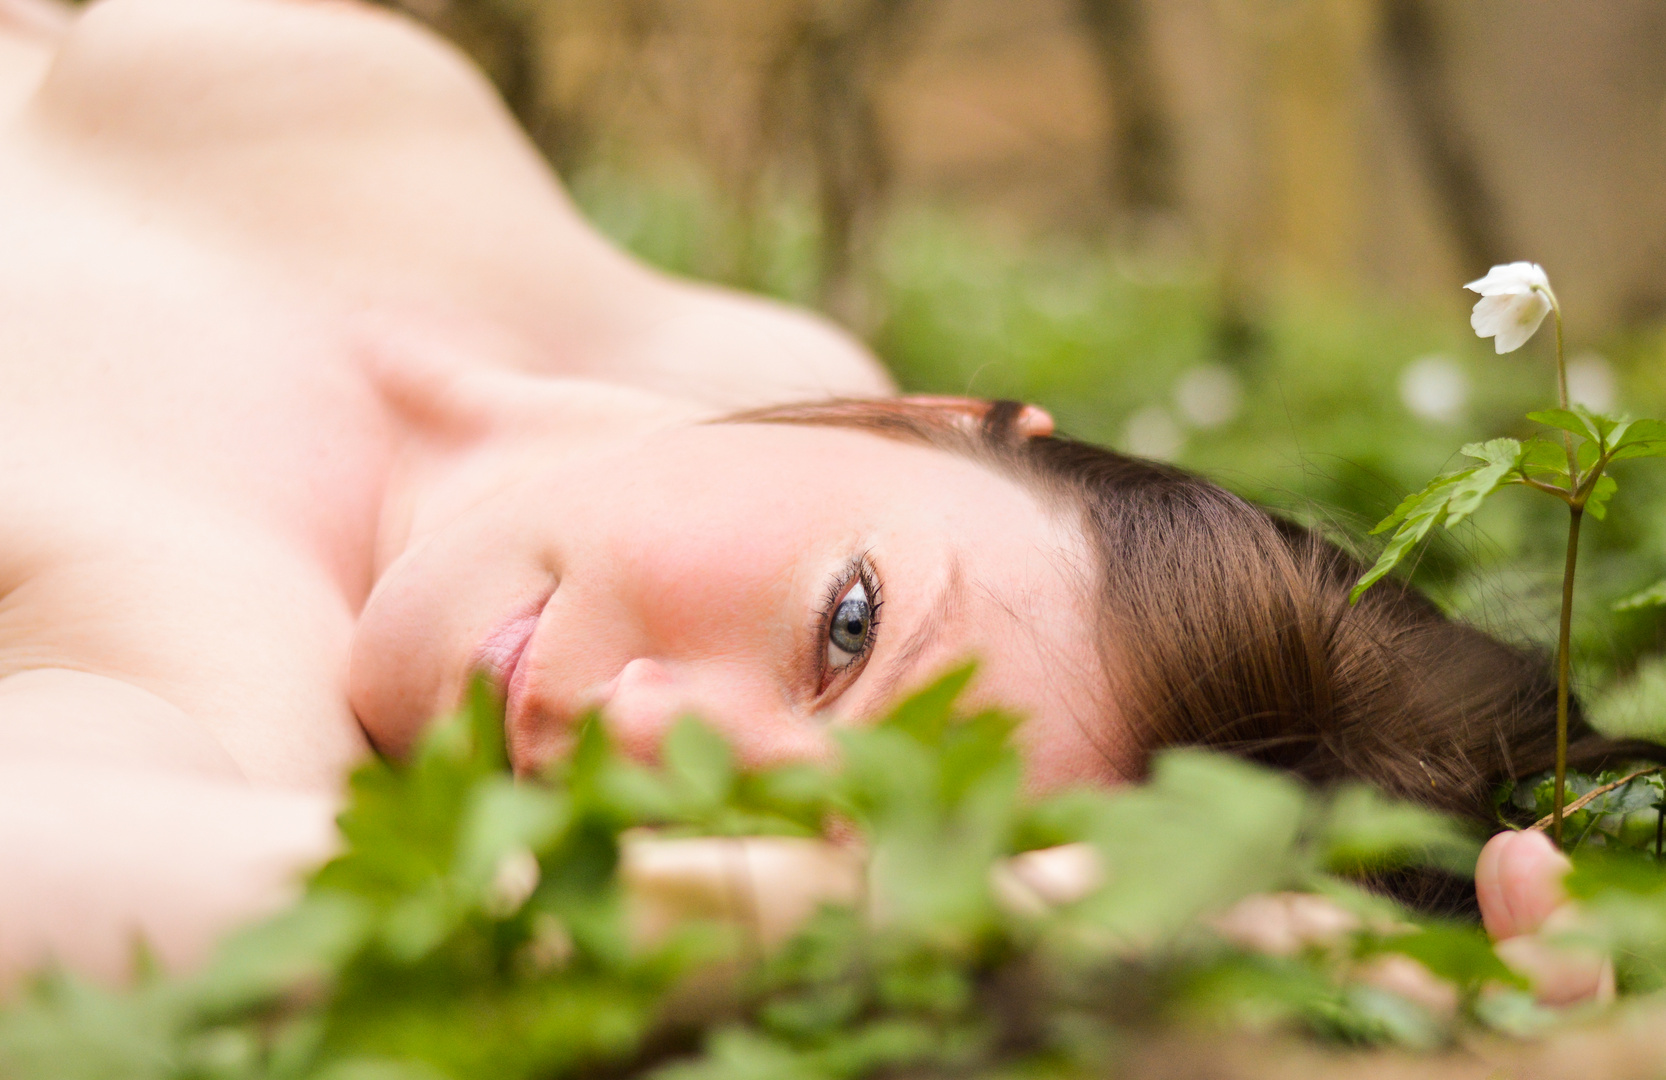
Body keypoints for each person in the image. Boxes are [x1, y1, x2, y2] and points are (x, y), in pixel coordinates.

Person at [0, 0, 1644, 1000]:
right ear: (932, 417)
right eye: (845, 633)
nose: (646, 742)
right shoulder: (724, 352)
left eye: (741, 828)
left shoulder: (220, 704)